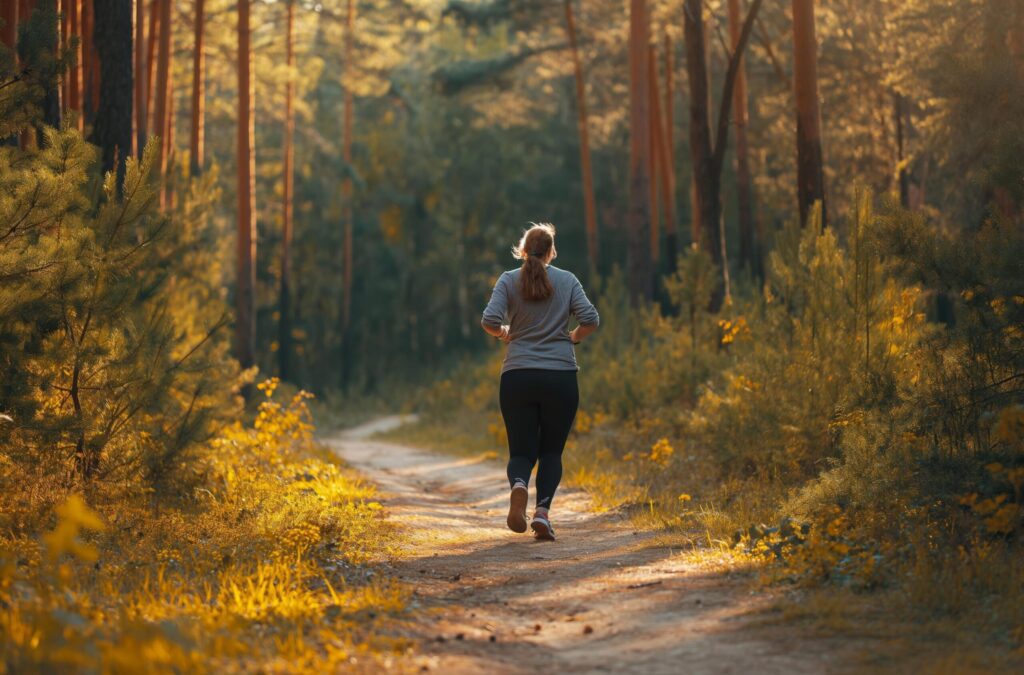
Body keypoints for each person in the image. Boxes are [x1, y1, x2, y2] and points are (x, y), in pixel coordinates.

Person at [480, 223, 600, 541]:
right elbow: (591, 319)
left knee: (521, 452)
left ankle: (519, 484)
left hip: (518, 375)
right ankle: (543, 513)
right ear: (551, 252)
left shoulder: (508, 280)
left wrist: (506, 333)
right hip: (560, 376)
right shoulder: (568, 280)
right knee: (551, 451)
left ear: (522, 250)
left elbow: (489, 321)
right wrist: (572, 337)